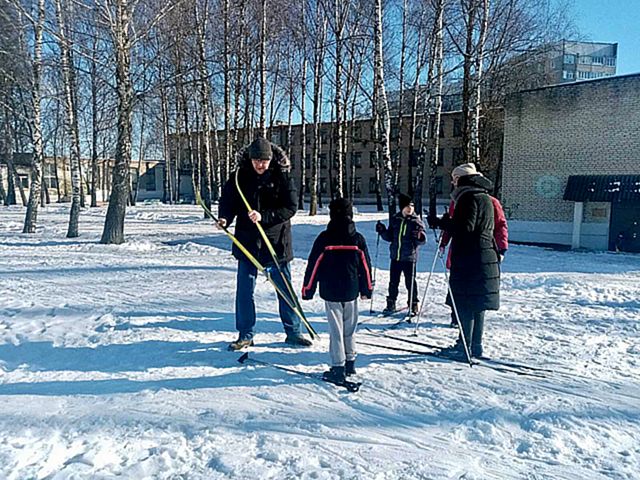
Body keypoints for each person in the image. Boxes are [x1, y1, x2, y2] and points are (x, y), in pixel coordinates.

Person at [217, 137, 312, 351]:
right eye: (257, 160)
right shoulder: (239, 176)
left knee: (284, 289)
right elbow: (229, 201)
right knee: (244, 291)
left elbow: (290, 207)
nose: (261, 165)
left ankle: (294, 332)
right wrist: (224, 218)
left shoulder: (282, 176)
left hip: (276, 244)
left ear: (271, 159)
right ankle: (245, 334)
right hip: (248, 244)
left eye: (265, 160)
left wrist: (264, 216)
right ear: (250, 159)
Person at [427, 167, 501, 359]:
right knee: (477, 304)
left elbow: (465, 227)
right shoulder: (484, 196)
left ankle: (463, 346)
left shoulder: (467, 197)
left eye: (454, 179)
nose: (452, 183)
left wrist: (442, 223)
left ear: (461, 179)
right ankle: (475, 345)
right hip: (484, 255)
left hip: (470, 258)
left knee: (465, 302)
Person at [301, 198, 373, 384]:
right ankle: (350, 362)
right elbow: (365, 266)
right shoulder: (357, 239)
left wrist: (308, 289)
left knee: (336, 330)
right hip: (351, 291)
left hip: (331, 291)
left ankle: (338, 367)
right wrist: (367, 289)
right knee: (349, 329)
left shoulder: (325, 238)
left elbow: (314, 265)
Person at [439, 163, 508, 328]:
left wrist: (502, 247)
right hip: (471, 251)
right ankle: (462, 327)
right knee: (467, 295)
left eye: (455, 179)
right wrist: (444, 240)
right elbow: (456, 223)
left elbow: (498, 225)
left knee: (468, 297)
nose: (453, 183)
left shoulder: (477, 199)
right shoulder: (464, 198)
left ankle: (465, 341)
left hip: (474, 253)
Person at [375, 193, 426, 316]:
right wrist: (382, 231)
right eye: (407, 206)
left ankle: (413, 304)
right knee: (393, 282)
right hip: (395, 257)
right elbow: (390, 237)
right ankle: (391, 303)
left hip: (409, 257)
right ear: (402, 208)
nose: (410, 209)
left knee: (410, 282)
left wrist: (420, 237)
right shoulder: (396, 220)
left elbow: (422, 240)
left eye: (412, 206)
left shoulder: (416, 222)